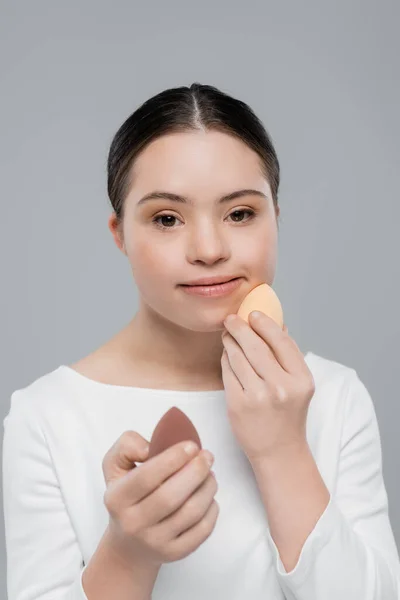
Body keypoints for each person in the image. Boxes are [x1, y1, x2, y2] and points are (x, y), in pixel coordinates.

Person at [2, 83, 400, 600]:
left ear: (276, 218)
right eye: (167, 218)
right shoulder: (45, 418)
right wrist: (128, 553)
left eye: (240, 214)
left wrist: (282, 450)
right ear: (119, 233)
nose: (209, 250)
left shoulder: (334, 396)